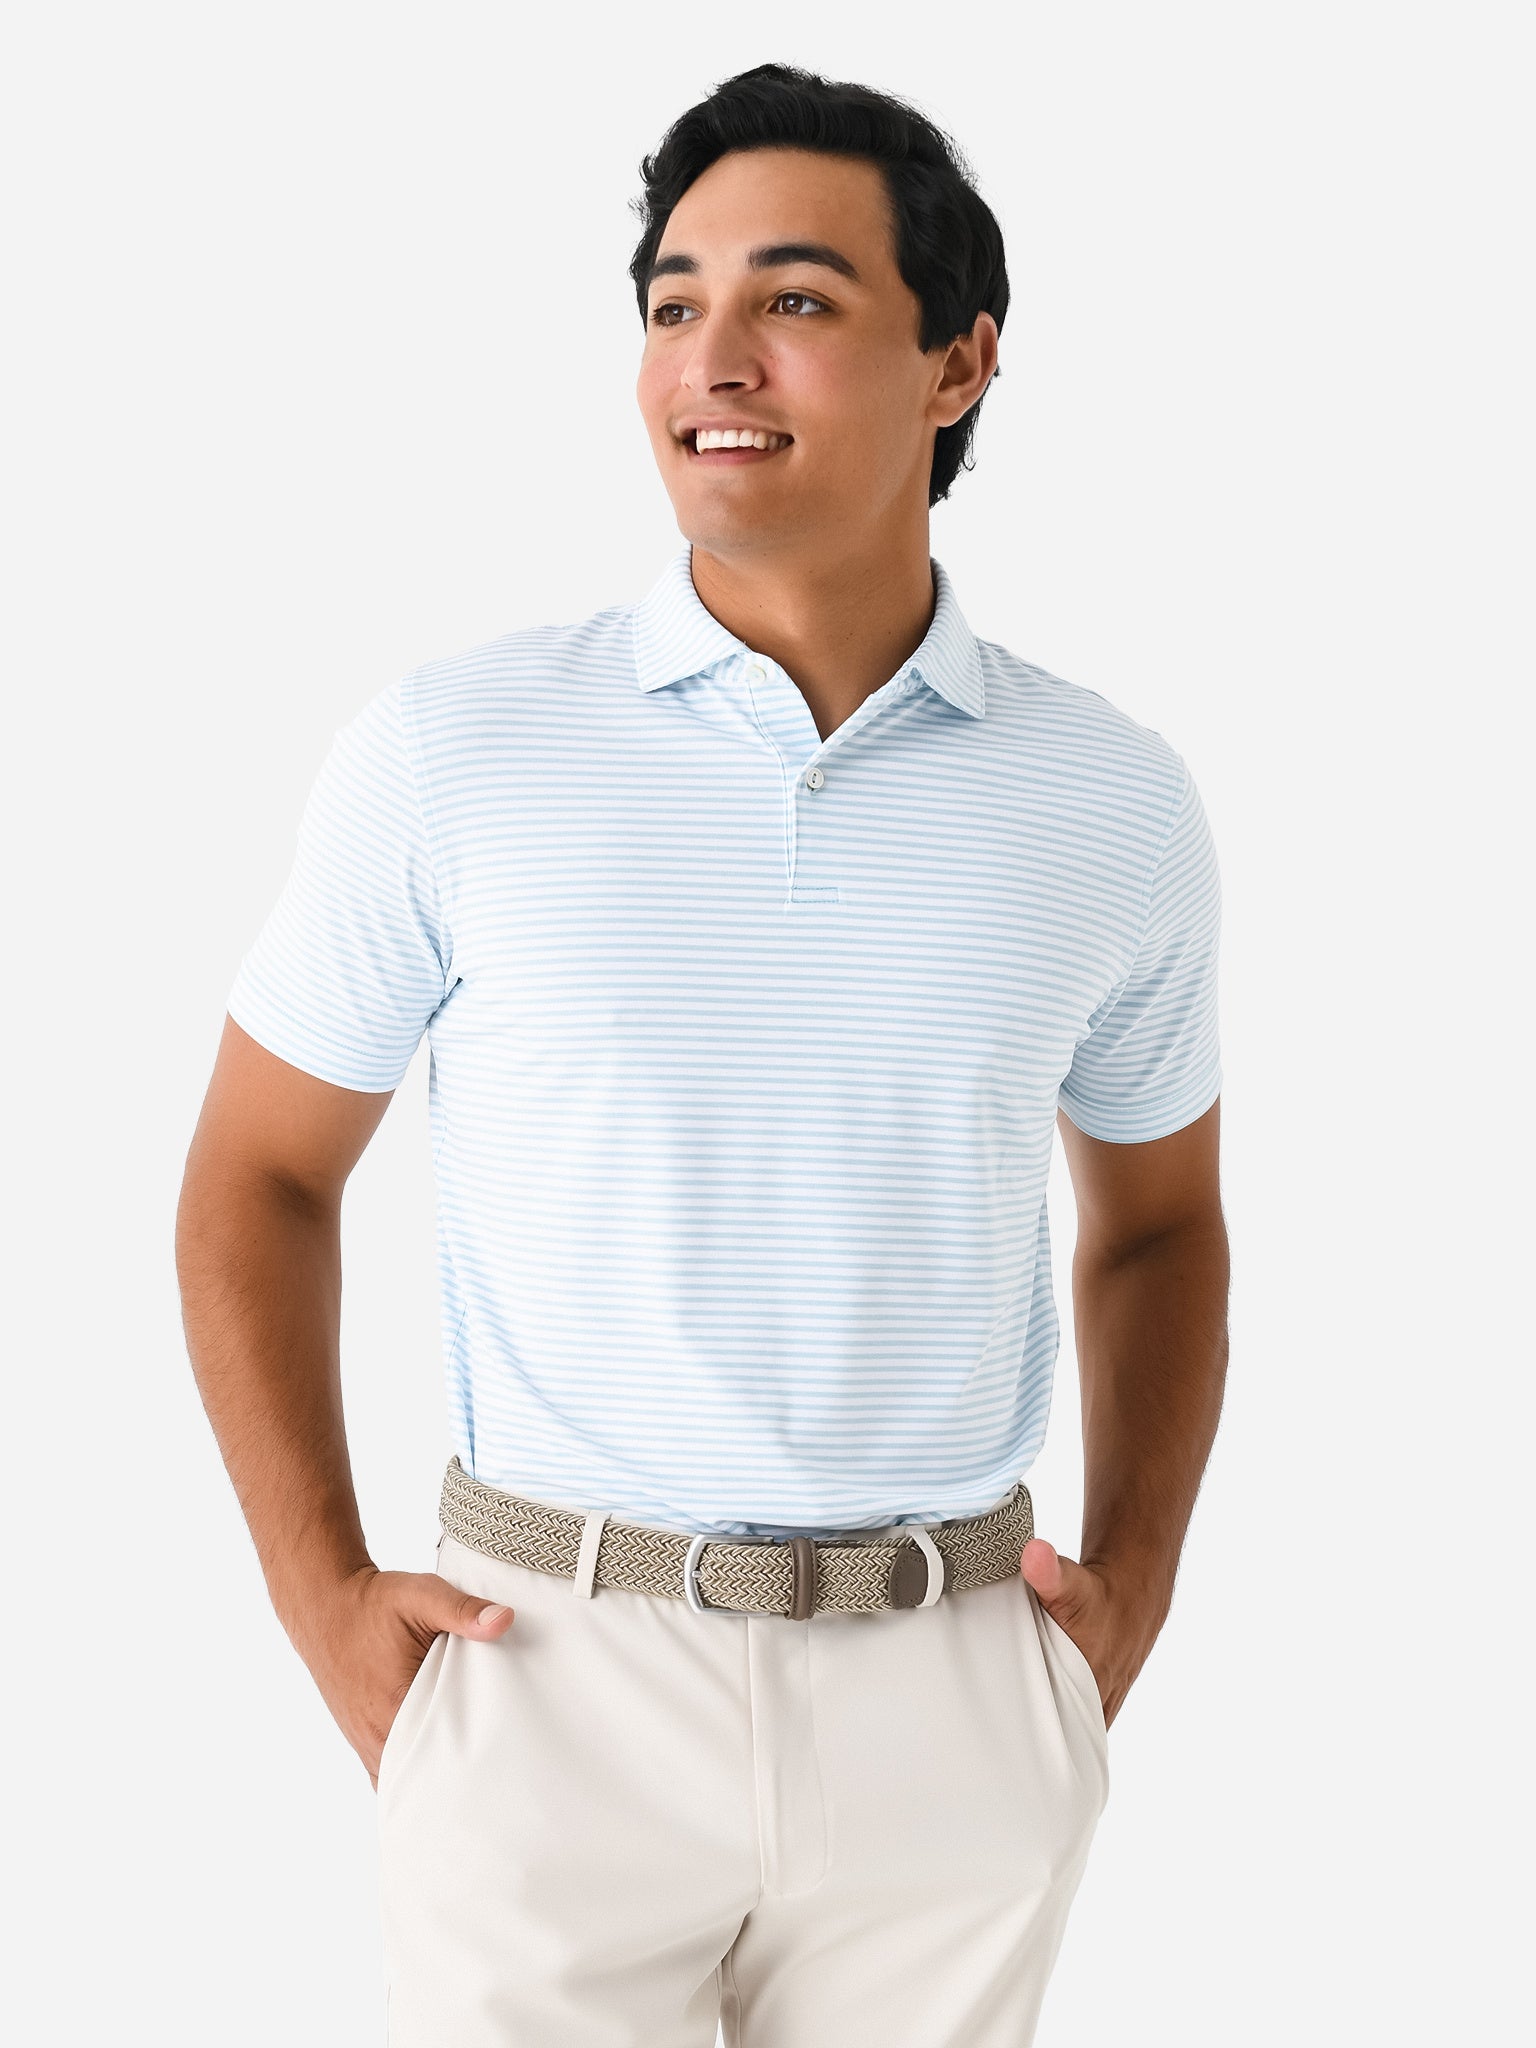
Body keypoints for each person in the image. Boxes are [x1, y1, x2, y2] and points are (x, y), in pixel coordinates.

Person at [176, 60, 1230, 2048]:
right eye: (674, 303)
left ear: (957, 360)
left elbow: (1162, 1221)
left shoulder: (1109, 799)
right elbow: (259, 1170)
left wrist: (1136, 1592)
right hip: (551, 1675)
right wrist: (322, 1597)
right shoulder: (456, 752)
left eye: (796, 298)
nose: (711, 358)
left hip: (951, 1699)